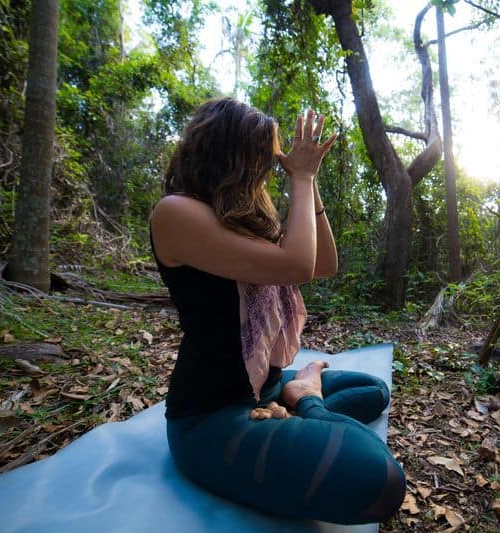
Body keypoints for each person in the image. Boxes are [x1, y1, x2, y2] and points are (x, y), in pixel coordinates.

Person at [149, 98, 406, 525]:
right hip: (211, 417)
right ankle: (305, 398)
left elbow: (323, 264)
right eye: (265, 158)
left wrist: (310, 180)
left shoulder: (243, 218)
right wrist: (300, 178)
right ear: (230, 153)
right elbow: (297, 265)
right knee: (379, 480)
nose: (270, 170)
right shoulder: (175, 213)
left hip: (264, 388)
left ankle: (294, 398)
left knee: (374, 390)